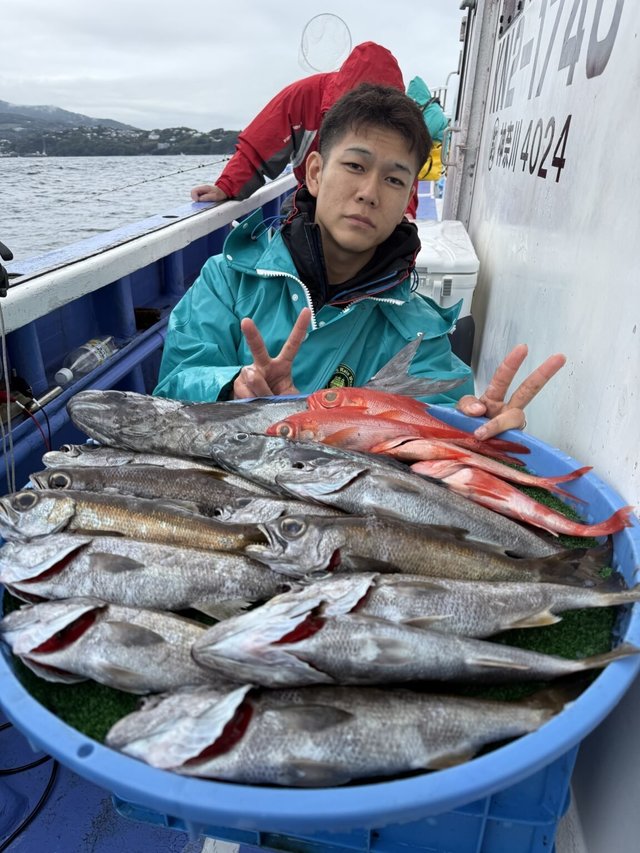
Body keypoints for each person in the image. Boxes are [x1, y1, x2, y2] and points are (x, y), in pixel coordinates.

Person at [156, 83, 564, 440]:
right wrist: (232, 386)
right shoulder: (228, 280)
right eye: (355, 166)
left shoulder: (418, 335)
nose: (369, 193)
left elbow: (441, 431)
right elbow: (170, 389)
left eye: (393, 179)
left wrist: (478, 432)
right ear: (314, 173)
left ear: (408, 200)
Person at [190, 42, 405, 205]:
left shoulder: (404, 120)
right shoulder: (303, 96)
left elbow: (406, 174)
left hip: (379, 205)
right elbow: (258, 146)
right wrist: (227, 186)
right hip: (313, 199)